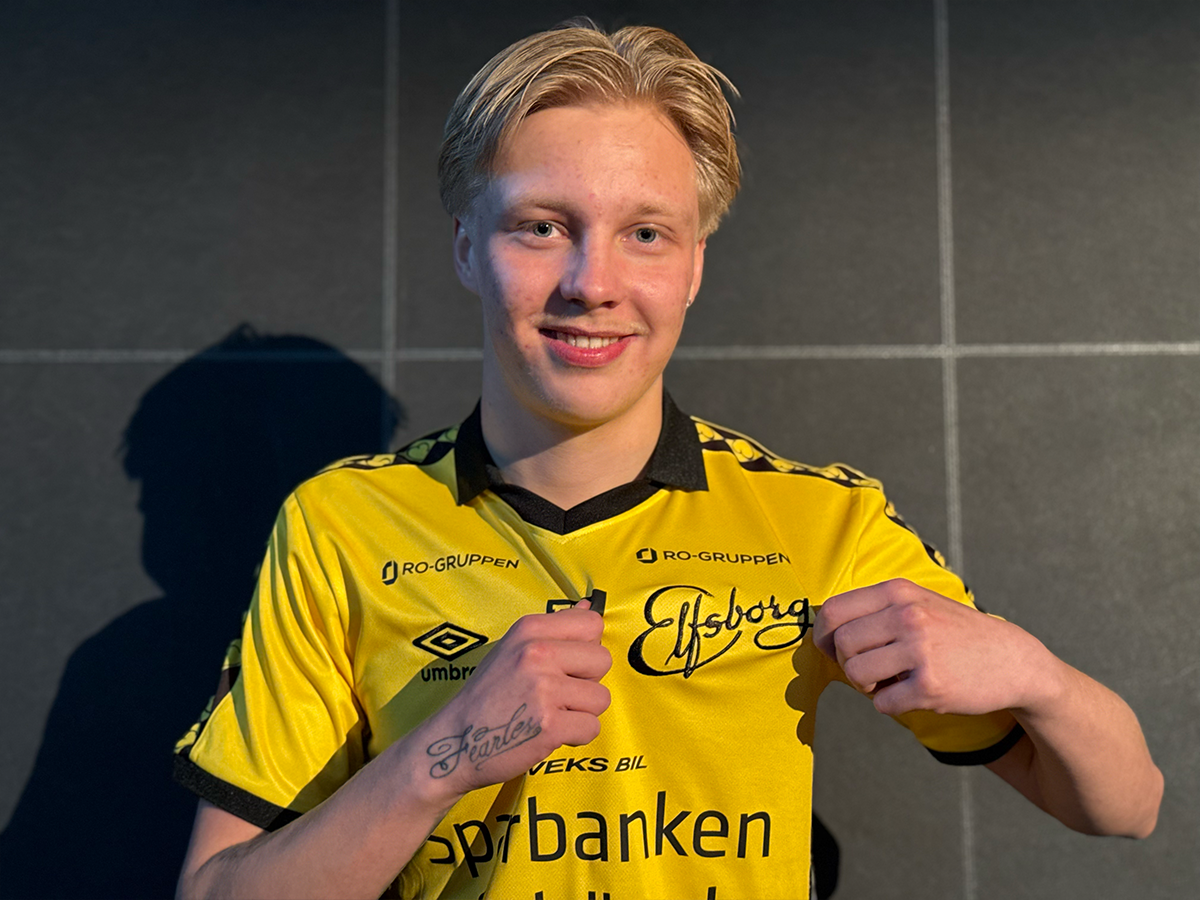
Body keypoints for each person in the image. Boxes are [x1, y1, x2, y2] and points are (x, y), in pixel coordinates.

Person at [173, 21, 1162, 900]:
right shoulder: (342, 527)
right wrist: (443, 754)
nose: (591, 282)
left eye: (644, 234)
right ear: (468, 247)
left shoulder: (823, 524)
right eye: (541, 227)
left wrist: (1036, 675)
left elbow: (1128, 806)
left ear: (692, 265)